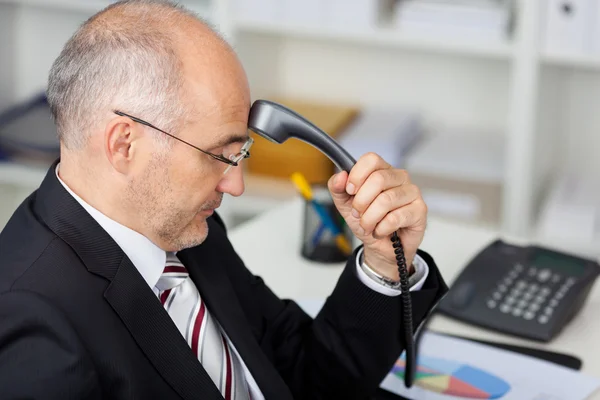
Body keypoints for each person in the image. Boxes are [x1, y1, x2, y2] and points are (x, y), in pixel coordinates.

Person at [0, 1, 448, 399]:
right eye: (220, 155)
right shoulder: (32, 325)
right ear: (124, 146)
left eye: (241, 154)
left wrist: (384, 262)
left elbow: (306, 375)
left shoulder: (185, 230)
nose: (235, 185)